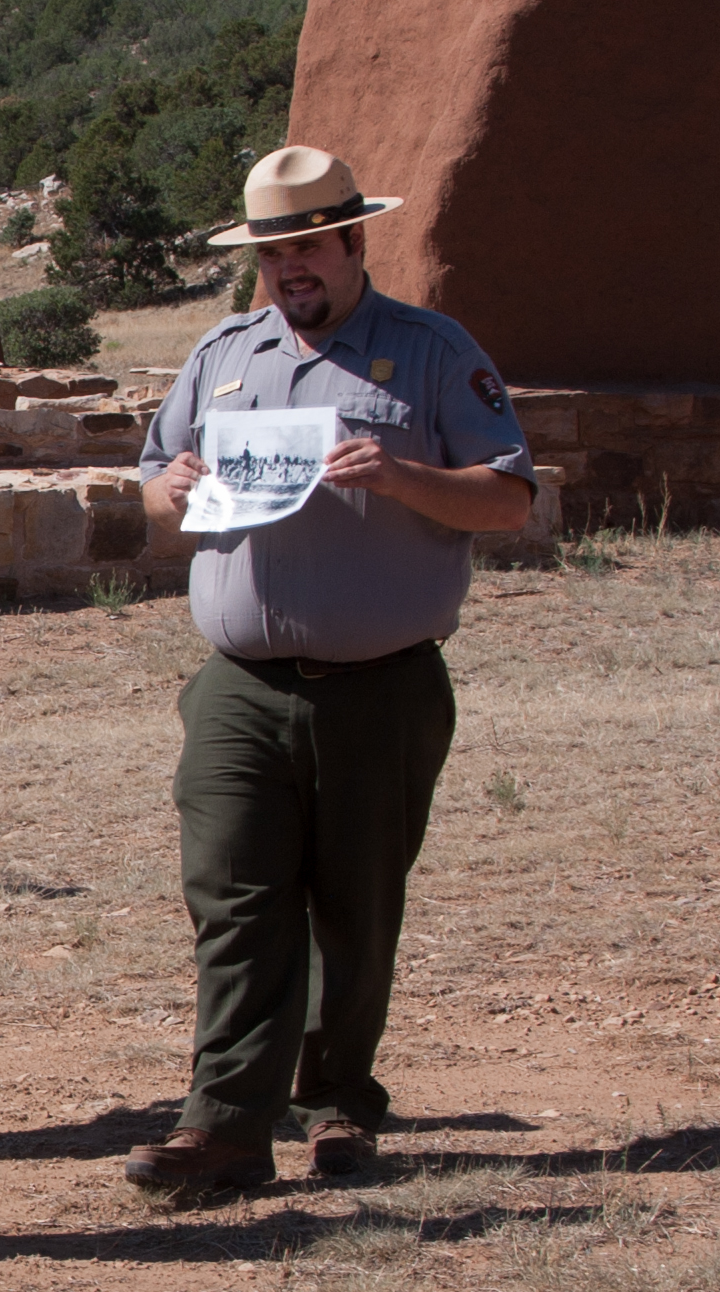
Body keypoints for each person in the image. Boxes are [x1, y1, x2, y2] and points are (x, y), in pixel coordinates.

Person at [124, 146, 537, 1198]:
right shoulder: (222, 356)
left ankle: (338, 1105)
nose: (289, 270)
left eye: (307, 246)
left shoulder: (434, 352)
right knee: (234, 900)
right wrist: (171, 485)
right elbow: (152, 492)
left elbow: (508, 498)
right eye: (272, 254)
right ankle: (223, 1126)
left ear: (355, 241)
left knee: (355, 905)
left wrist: (401, 476)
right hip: (241, 686)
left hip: (381, 684)